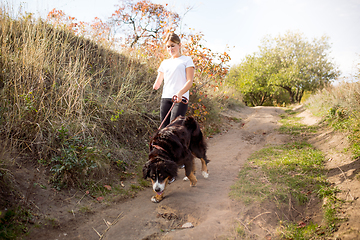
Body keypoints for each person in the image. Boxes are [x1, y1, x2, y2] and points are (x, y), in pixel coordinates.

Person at [153, 32, 195, 129]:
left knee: (173, 128)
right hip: (165, 98)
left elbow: (189, 81)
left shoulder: (186, 60)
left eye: (172, 46)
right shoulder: (165, 62)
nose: (170, 49)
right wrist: (156, 85)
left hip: (180, 98)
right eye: (168, 47)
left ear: (179, 45)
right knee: (164, 129)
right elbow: (158, 81)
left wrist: (180, 93)